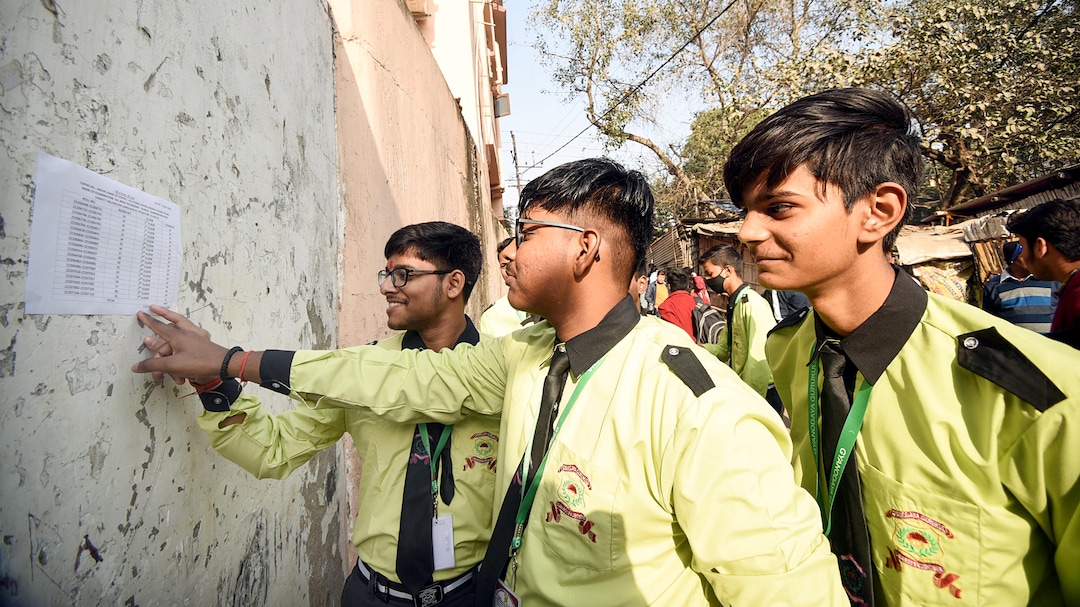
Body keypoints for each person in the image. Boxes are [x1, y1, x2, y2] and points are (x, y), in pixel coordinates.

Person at [134, 157, 847, 606]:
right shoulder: (525, 361)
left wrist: (231, 357)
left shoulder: (694, 404)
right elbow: (383, 379)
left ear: (585, 248)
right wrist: (222, 372)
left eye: (525, 230)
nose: (508, 250)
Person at [725, 87, 1080, 605]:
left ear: (879, 211)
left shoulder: (1040, 393)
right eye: (746, 210)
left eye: (779, 208)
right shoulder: (790, 351)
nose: (747, 232)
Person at [142, 222, 499, 607]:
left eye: (403, 274)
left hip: (466, 595)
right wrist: (213, 382)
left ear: (453, 283)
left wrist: (233, 361)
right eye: (386, 273)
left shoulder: (502, 372)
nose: (385, 286)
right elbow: (272, 449)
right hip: (370, 596)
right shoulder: (359, 368)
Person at [697, 245, 776, 400]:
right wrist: (696, 348)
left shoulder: (752, 304)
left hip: (760, 392)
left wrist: (749, 400)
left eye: (709, 273)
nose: (706, 279)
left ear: (728, 270)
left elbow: (758, 361)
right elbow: (724, 349)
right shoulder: (735, 304)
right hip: (744, 388)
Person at [1007, 199, 1080, 346]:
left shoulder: (1076, 297)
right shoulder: (1070, 289)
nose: (1023, 256)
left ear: (1040, 247)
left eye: (1022, 247)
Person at [981, 241, 1059, 333]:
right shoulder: (993, 287)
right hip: (1015, 345)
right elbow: (990, 321)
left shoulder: (1050, 280)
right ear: (1012, 260)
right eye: (1025, 256)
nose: (1031, 260)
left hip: (1051, 344)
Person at [479, 238, 539, 337]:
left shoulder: (551, 303)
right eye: (504, 265)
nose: (509, 269)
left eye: (514, 261)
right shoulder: (491, 315)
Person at [656, 267, 697, 339]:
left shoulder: (665, 307)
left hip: (685, 346)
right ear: (687, 285)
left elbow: (676, 334)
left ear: (668, 286)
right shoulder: (696, 301)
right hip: (704, 346)